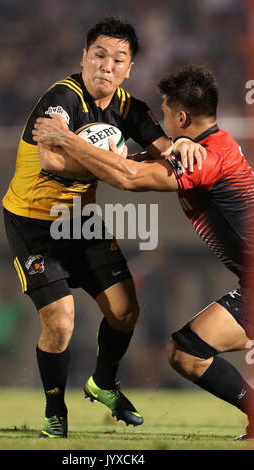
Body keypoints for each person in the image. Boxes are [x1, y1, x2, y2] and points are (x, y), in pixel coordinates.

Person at [2, 17, 204, 439]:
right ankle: (55, 411)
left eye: (118, 59)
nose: (106, 66)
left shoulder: (128, 107)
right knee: (60, 322)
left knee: (126, 310)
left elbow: (164, 148)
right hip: (34, 223)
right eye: (99, 55)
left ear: (129, 68)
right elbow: (51, 161)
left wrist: (180, 143)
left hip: (81, 219)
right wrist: (119, 164)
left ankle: (103, 383)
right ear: (83, 57)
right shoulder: (62, 97)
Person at [33, 65, 254, 440]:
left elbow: (128, 178)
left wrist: (68, 140)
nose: (161, 121)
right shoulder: (209, 146)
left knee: (187, 352)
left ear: (181, 117)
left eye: (165, 113)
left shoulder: (206, 157)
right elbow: (132, 165)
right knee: (186, 351)